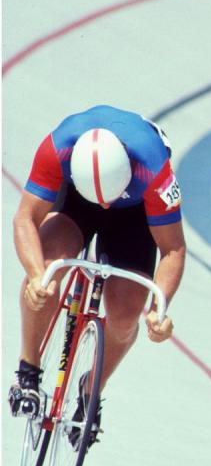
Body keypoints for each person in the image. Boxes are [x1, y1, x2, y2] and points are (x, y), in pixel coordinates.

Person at [9, 105, 186, 442]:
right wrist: (34, 274)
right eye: (100, 200)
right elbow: (25, 219)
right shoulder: (58, 146)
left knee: (124, 315)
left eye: (110, 198)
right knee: (46, 274)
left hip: (135, 213)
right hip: (77, 201)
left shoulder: (154, 169)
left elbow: (173, 249)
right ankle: (27, 373)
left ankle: (91, 389)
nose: (105, 206)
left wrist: (157, 311)